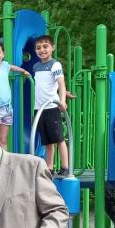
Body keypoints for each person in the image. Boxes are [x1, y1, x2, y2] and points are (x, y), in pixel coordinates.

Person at [32, 35, 70, 174]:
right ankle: (50, 167)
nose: (42, 50)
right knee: (47, 141)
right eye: (38, 48)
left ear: (52, 48)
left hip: (52, 107)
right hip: (39, 107)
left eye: (45, 46)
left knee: (58, 138)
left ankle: (65, 166)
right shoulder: (36, 66)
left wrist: (63, 100)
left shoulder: (55, 65)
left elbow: (61, 84)